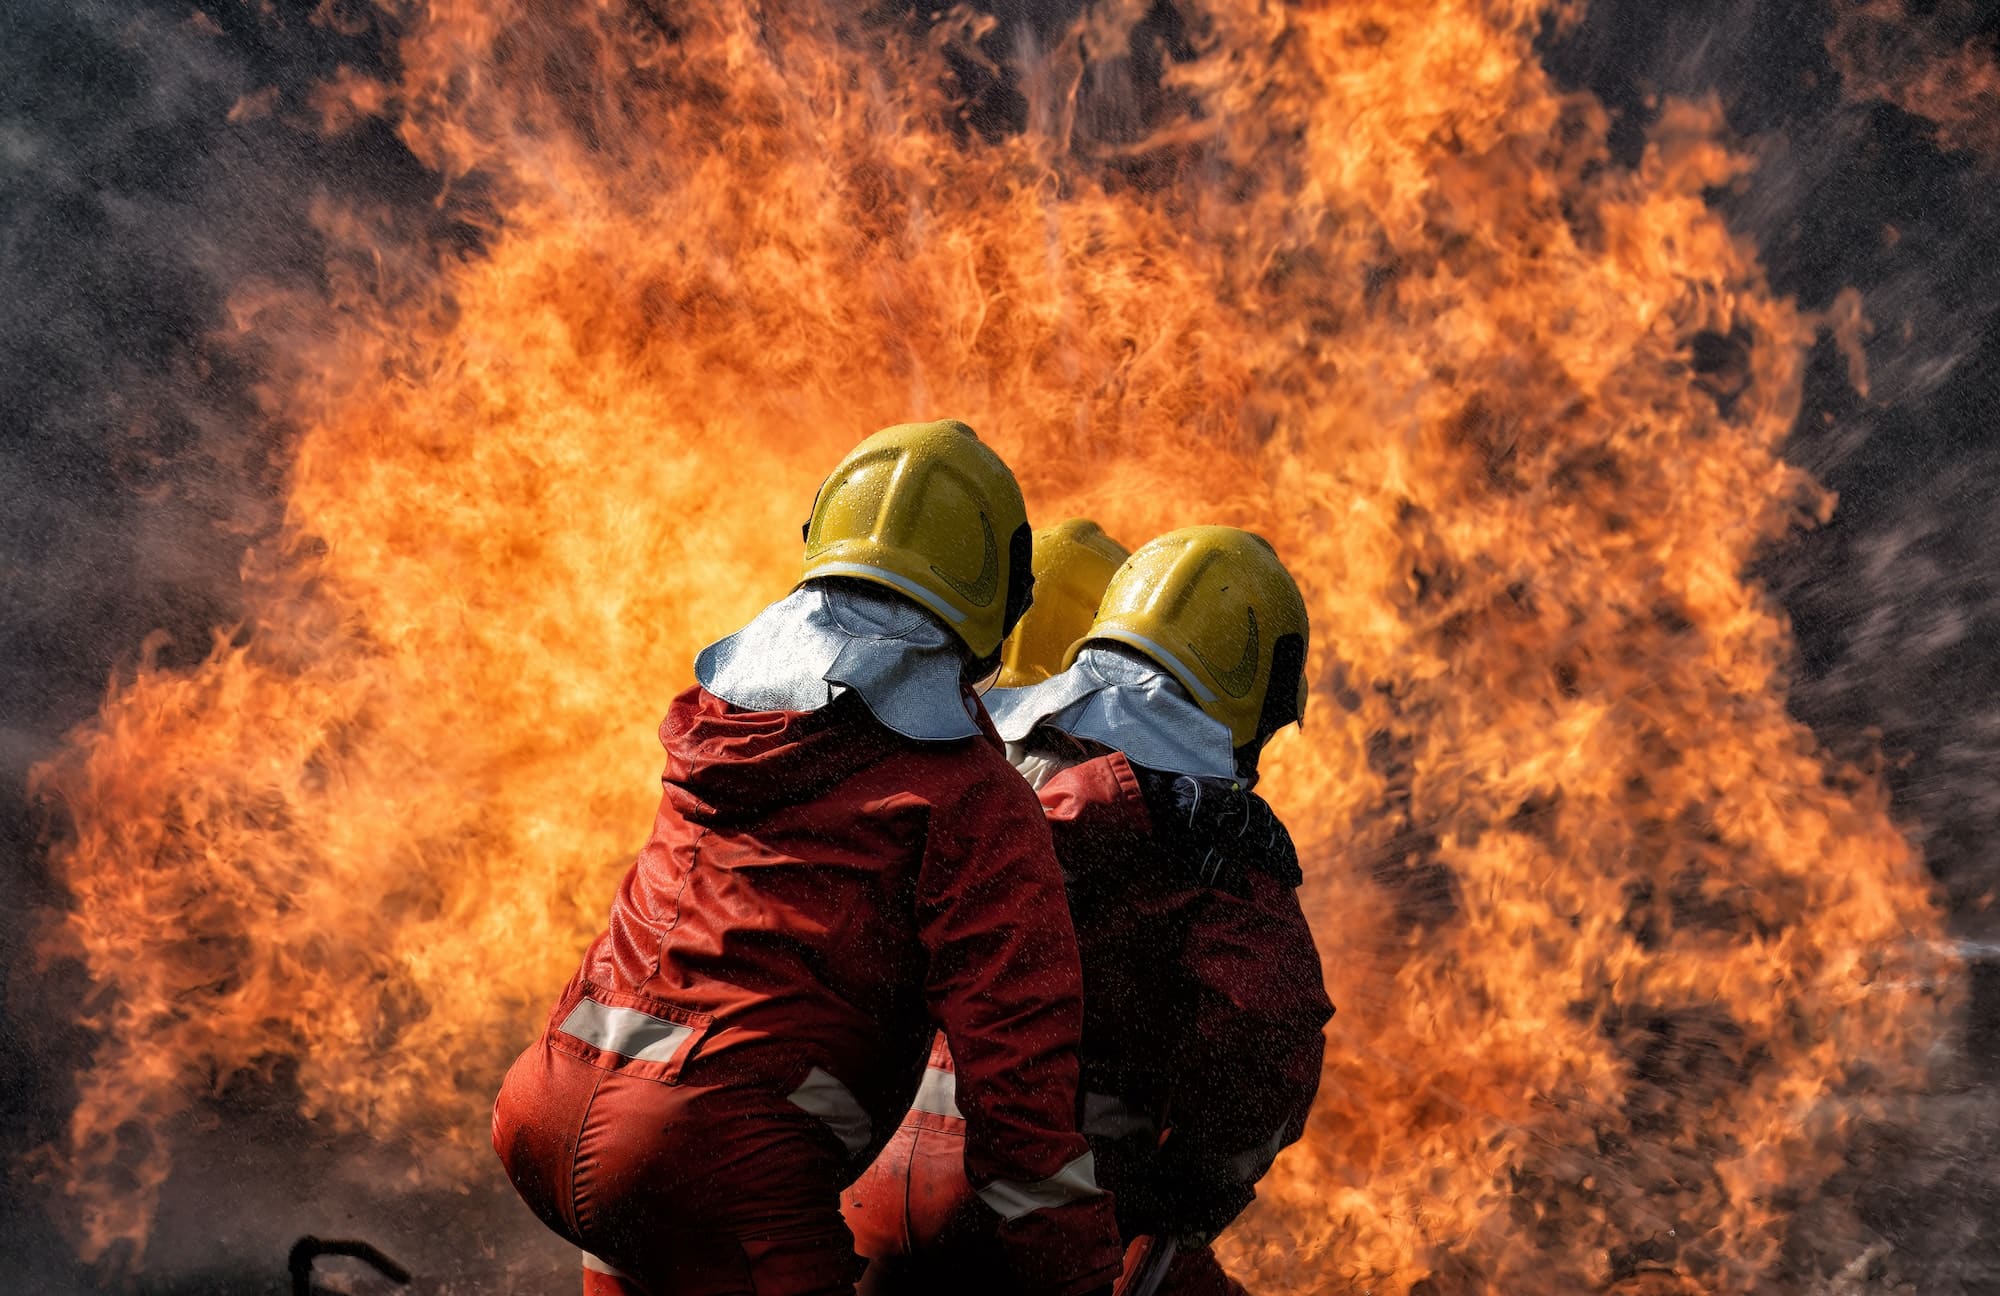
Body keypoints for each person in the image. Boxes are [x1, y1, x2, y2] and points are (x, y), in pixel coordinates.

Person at [492, 420, 1125, 1296]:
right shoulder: (970, 799)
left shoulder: (723, 727)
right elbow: (1018, 1085)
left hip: (549, 1103)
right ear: (998, 595)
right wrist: (1081, 1273)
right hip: (717, 1161)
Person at [843, 526, 1333, 1296]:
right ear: (1259, 693)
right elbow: (1267, 1033)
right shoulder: (1215, 844)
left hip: (866, 1168)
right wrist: (1183, 1195)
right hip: (1046, 1206)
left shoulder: (973, 750)